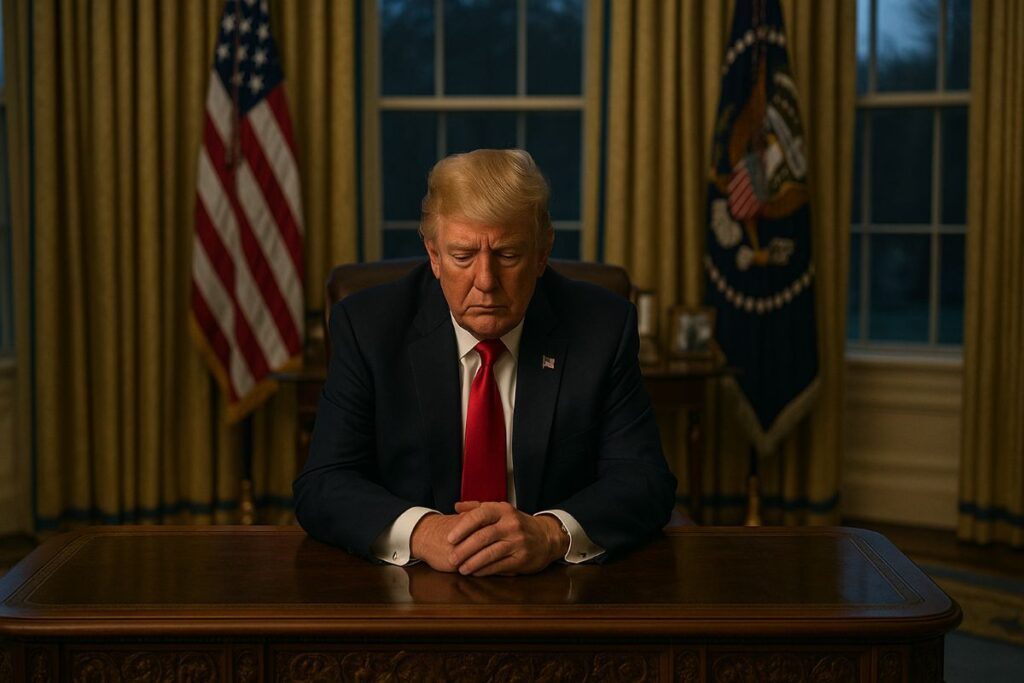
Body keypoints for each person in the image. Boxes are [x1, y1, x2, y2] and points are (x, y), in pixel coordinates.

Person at [294, 149, 676, 576]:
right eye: (462, 257)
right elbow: (324, 483)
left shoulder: (602, 327)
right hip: (408, 588)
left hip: (555, 589)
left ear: (542, 252)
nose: (486, 282)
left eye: (508, 255)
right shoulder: (368, 327)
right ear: (434, 255)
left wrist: (550, 533)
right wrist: (423, 532)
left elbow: (644, 482)